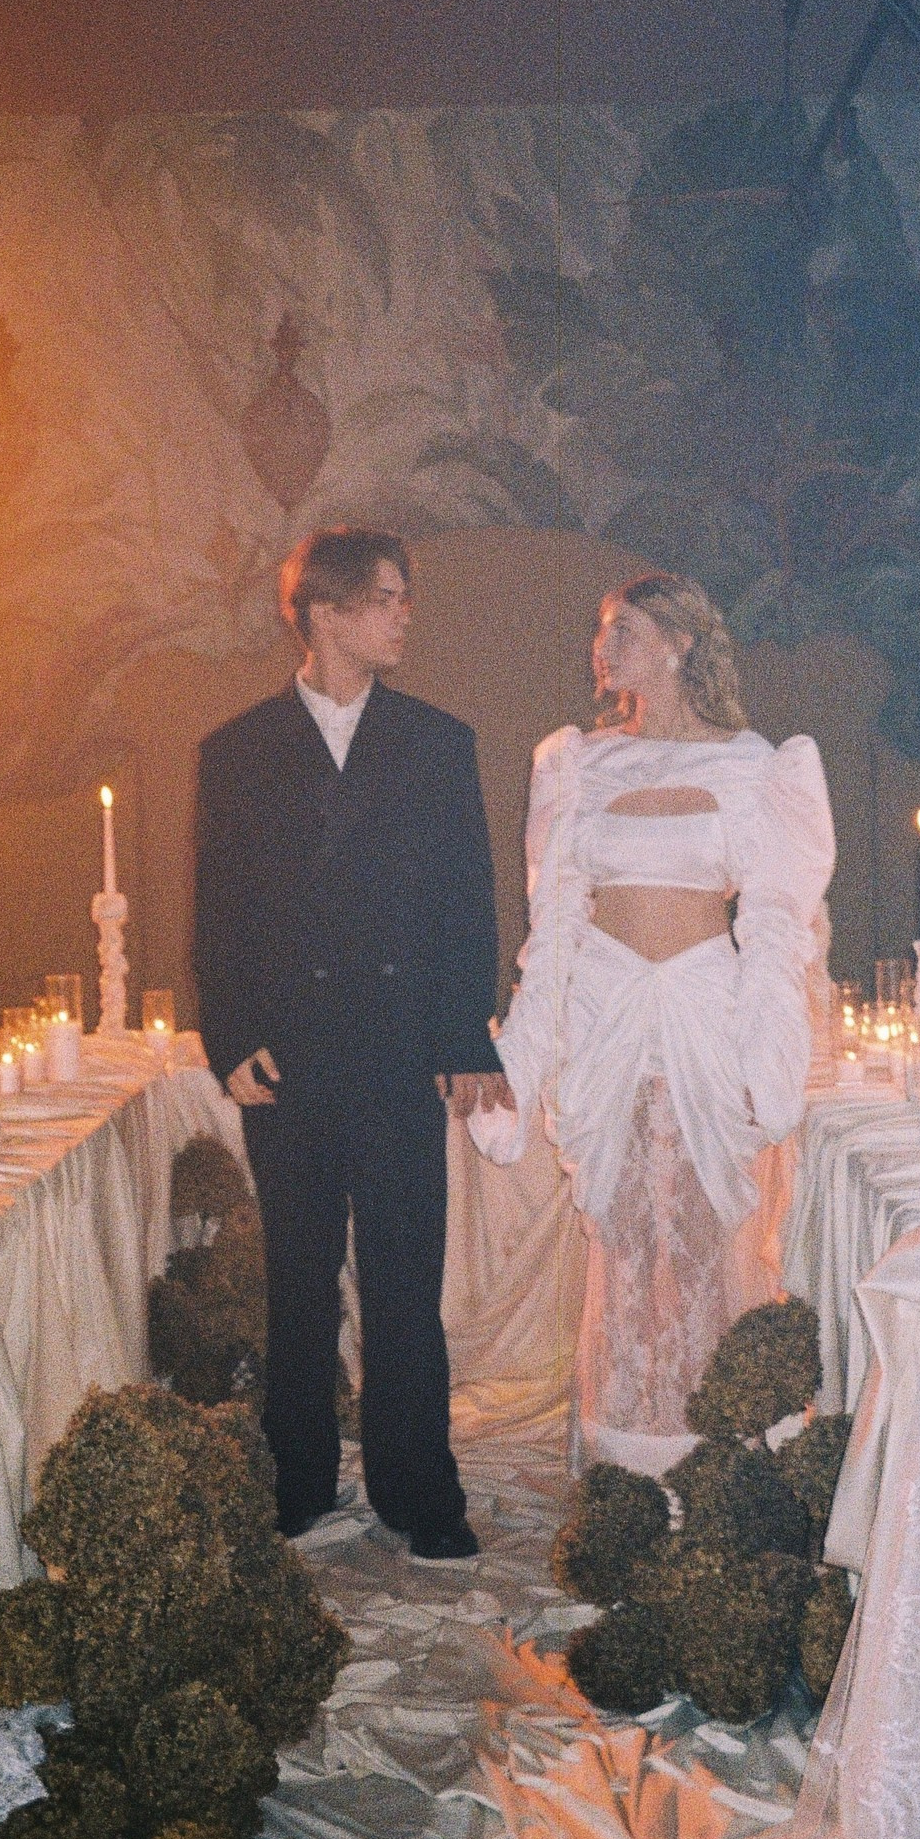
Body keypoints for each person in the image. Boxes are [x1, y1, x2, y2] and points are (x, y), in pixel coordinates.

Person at [469, 573, 835, 1475]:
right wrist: (522, 1052)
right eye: (601, 631)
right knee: (627, 1232)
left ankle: (712, 1456)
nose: (602, 648)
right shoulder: (577, 762)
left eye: (622, 630)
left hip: (702, 1006)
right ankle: (627, 1455)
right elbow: (554, 921)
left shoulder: (752, 763)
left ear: (677, 643)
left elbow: (774, 919)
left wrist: (769, 1045)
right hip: (605, 1009)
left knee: (702, 1231)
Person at [192, 529, 511, 1557]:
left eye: (405, 596)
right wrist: (230, 1036)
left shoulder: (437, 741)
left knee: (405, 1280)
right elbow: (220, 915)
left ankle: (418, 1491)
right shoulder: (236, 749)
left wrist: (464, 1035)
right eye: (386, 598)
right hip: (289, 1056)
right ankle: (294, 1480)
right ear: (325, 614)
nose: (405, 614)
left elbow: (468, 901)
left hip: (399, 1050)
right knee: (297, 1279)